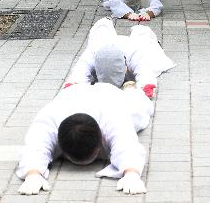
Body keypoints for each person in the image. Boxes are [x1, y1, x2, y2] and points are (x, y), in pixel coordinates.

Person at [16, 83, 152, 195]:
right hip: (71, 93)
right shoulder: (50, 117)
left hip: (110, 95)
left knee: (140, 112)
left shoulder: (113, 115)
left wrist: (131, 173)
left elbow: (127, 144)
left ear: (101, 140)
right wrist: (32, 174)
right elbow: (35, 146)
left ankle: (130, 88)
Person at [64, 17, 174, 97]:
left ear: (125, 65)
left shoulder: (134, 50)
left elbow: (144, 71)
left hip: (134, 43)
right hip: (105, 40)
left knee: (143, 34)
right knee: (101, 27)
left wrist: (146, 85)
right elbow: (80, 70)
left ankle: (140, 28)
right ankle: (106, 21)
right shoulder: (93, 51)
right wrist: (74, 84)